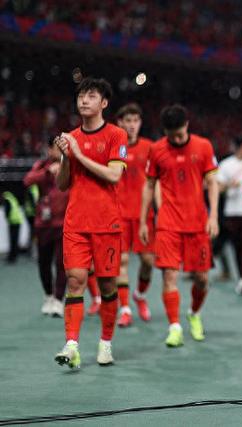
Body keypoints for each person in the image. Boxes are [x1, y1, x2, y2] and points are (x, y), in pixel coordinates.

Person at [53, 77, 128, 369]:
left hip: (106, 224)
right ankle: (72, 344)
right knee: (75, 280)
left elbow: (113, 175)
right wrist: (66, 158)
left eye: (92, 96)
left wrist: (79, 154)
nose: (84, 100)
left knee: (108, 285)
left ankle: (105, 342)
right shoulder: (71, 137)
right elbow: (62, 184)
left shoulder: (116, 135)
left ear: (104, 103)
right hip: (76, 223)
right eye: (81, 96)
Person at [139, 104, 219, 347]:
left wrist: (214, 216)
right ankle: (174, 327)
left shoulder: (204, 146)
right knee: (169, 276)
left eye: (179, 134)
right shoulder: (156, 150)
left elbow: (212, 182)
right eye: (171, 135)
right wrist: (144, 221)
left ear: (187, 125)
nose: (175, 139)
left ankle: (194, 313)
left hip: (197, 223)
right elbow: (149, 186)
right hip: (168, 224)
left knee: (202, 279)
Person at [114, 103, 157, 326]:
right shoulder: (114, 147)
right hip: (118, 214)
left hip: (143, 216)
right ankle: (125, 309)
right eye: (128, 121)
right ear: (120, 123)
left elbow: (155, 182)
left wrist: (161, 209)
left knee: (148, 261)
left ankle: (139, 295)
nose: (132, 125)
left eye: (135, 121)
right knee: (121, 261)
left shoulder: (150, 147)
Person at [23, 137, 69, 317]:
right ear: (49, 150)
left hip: (64, 223)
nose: (60, 150)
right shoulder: (41, 165)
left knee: (61, 263)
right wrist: (47, 172)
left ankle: (58, 300)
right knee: (43, 262)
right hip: (43, 224)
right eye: (57, 147)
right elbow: (27, 180)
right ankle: (48, 295)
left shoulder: (70, 165)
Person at [216, 136, 242, 296]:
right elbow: (217, 187)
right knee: (237, 246)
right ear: (241, 147)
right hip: (232, 211)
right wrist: (228, 185)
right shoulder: (226, 164)